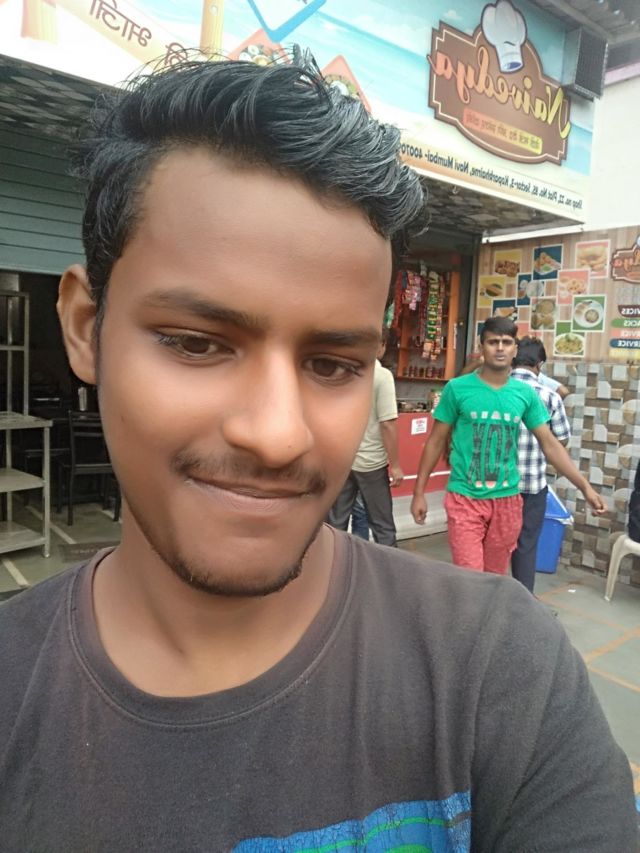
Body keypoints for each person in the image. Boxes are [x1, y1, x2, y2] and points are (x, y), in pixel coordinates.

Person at [0, 59, 635, 851]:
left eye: (333, 364)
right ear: (86, 330)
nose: (278, 434)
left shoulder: (500, 671)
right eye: (196, 343)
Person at [411, 317, 606, 574]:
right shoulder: (457, 389)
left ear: (515, 348)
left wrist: (585, 487)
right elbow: (435, 441)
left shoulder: (524, 394)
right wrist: (419, 492)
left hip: (507, 501)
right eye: (493, 342)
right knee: (470, 575)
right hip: (464, 498)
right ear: (482, 347)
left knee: (495, 577)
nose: (500, 348)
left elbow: (550, 444)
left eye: (506, 342)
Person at [329, 332, 403, 545]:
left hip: (343, 459)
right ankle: (388, 564)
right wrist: (395, 465)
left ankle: (333, 562)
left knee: (336, 523)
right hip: (371, 463)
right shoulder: (382, 376)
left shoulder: (342, 372)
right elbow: (387, 423)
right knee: (382, 525)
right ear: (382, 346)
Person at [511, 337, 571, 593]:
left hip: (496, 485)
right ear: (540, 364)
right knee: (526, 545)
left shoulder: (497, 390)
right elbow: (562, 440)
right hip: (532, 485)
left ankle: (489, 599)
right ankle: (522, 602)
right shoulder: (549, 396)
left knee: (493, 545)